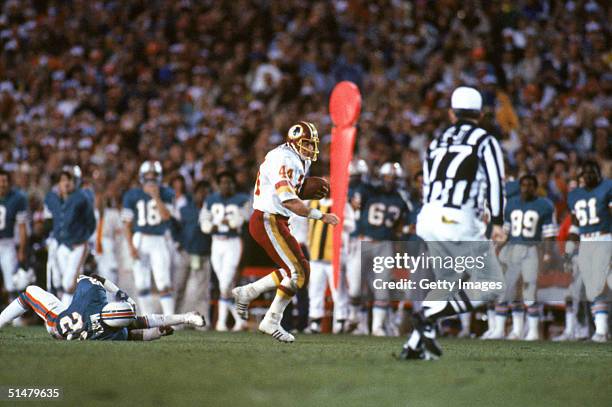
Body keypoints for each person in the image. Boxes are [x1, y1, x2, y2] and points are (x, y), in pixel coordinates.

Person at [398, 86, 506, 360]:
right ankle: (429, 315)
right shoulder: (484, 140)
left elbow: (429, 182)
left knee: (446, 280)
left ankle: (414, 345)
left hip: (430, 216)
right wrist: (497, 221)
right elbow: (495, 182)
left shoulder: (437, 141)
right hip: (457, 219)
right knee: (491, 284)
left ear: (451, 113)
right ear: (480, 114)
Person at [232, 121, 339, 343]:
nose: (311, 149)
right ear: (295, 141)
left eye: (313, 144)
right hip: (268, 219)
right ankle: (271, 319)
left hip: (275, 219)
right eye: (307, 143)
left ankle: (249, 292)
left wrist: (302, 188)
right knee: (300, 272)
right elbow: (290, 201)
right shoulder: (287, 159)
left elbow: (292, 190)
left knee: (297, 271)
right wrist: (322, 216)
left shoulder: (293, 157)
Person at [0, 274, 204, 340]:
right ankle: (186, 317)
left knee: (29, 292)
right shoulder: (110, 331)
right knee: (140, 322)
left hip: (56, 321)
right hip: (68, 325)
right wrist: (157, 333)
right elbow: (138, 329)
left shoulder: (93, 296)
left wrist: (113, 288)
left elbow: (88, 278)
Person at [493, 174, 557, 341]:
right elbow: (506, 230)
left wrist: (548, 253)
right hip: (512, 248)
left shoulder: (544, 205)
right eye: (524, 185)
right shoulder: (512, 204)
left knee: (529, 289)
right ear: (519, 186)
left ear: (535, 187)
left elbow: (549, 233)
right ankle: (513, 330)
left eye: (530, 185)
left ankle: (533, 332)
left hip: (531, 248)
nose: (526, 188)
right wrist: (497, 246)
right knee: (508, 289)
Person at [360, 162, 409, 336]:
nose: (390, 181)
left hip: (385, 244)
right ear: (381, 177)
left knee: (382, 286)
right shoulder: (369, 192)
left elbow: (403, 223)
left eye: (393, 178)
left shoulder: (401, 199)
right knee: (358, 288)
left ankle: (377, 327)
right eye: (387, 177)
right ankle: (359, 324)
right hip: (364, 240)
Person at [566, 160, 611, 342]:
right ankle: (601, 330)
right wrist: (570, 248)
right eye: (585, 172)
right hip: (586, 243)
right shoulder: (574, 195)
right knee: (593, 289)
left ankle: (602, 330)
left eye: (592, 171)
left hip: (604, 238)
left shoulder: (607, 187)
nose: (588, 175)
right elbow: (575, 223)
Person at [122, 161, 175, 315]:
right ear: (142, 177)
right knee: (141, 283)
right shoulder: (132, 194)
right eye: (148, 176)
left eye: (154, 176)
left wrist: (156, 197)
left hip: (159, 239)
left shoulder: (167, 193)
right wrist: (131, 246)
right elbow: (127, 224)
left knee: (163, 281)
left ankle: (170, 319)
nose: (151, 179)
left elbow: (166, 217)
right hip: (140, 239)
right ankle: (147, 318)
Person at [200, 171, 250, 332]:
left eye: (229, 182)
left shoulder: (242, 200)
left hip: (232, 243)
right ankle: (240, 320)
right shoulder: (211, 200)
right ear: (218, 184)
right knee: (224, 284)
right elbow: (203, 222)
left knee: (225, 283)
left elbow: (241, 219)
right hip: (216, 243)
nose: (226, 185)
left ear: (233, 184)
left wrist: (224, 223)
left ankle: (221, 323)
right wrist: (215, 225)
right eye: (222, 182)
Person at [43, 166, 96, 306]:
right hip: (60, 244)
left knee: (69, 283)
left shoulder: (82, 197)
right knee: (60, 282)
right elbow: (48, 220)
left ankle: (64, 315)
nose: (66, 183)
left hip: (77, 245)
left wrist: (82, 238)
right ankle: (73, 314)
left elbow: (91, 223)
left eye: (69, 180)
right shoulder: (52, 197)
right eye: (62, 180)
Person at [174, 180, 212, 328]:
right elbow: (174, 226)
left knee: (202, 291)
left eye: (205, 192)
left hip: (203, 254)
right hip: (186, 253)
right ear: (194, 194)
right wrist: (179, 242)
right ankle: (175, 321)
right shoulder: (185, 209)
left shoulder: (211, 210)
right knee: (179, 288)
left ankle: (201, 322)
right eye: (200, 192)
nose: (202, 195)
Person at [0, 169, 28, 310]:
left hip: (7, 243)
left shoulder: (17, 198)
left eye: (4, 181)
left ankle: (14, 317)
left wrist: (22, 249)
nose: (2, 184)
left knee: (12, 283)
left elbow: (22, 226)